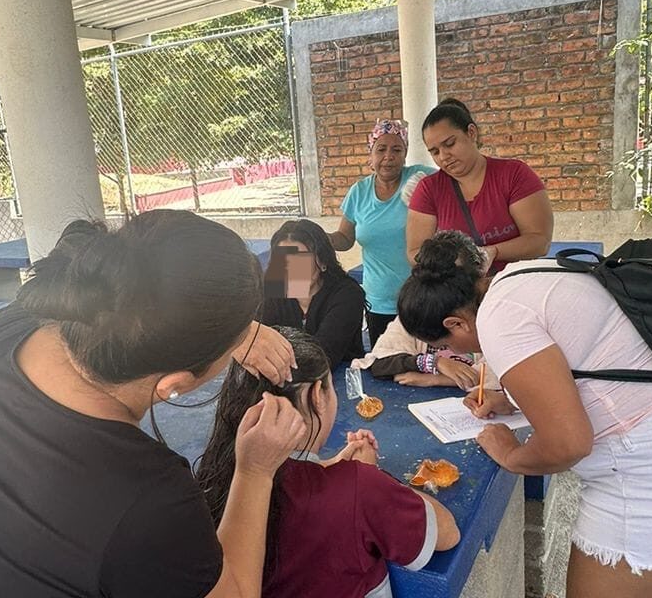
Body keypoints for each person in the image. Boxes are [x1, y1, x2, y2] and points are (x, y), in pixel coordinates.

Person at [0, 211, 308, 598]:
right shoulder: (146, 497)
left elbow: (145, 298)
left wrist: (227, 328)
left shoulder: (11, 326)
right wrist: (255, 471)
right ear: (174, 385)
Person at [397, 231, 652, 598]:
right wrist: (513, 400)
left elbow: (567, 444)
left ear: (455, 324)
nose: (451, 352)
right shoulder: (521, 276)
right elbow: (591, 356)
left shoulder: (496, 319)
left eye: (445, 346)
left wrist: (510, 453)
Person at [196, 327, 460, 598]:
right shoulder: (360, 487)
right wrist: (369, 475)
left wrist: (330, 467)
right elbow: (447, 533)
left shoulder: (213, 481)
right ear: (316, 396)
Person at [406, 98, 554, 273]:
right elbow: (415, 252)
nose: (444, 156)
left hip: (513, 286)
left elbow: (539, 241)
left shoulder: (514, 174)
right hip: (460, 295)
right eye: (435, 152)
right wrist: (453, 264)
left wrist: (493, 252)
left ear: (471, 132)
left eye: (450, 144)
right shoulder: (428, 189)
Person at [328, 119, 435, 346]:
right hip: (379, 302)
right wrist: (318, 239)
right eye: (381, 149)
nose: (389, 156)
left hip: (423, 297)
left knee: (428, 366)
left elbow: (455, 190)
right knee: (387, 366)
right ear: (371, 155)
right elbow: (345, 239)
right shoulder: (359, 192)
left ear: (405, 154)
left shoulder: (420, 179)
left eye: (397, 149)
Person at [261, 219, 365, 367]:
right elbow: (257, 342)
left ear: (323, 262)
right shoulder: (271, 291)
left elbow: (323, 353)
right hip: (282, 379)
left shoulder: (347, 294)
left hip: (338, 379)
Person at [350, 315, 487, 390]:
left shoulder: (485, 319)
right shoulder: (412, 315)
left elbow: (499, 375)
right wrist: (436, 362)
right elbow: (380, 363)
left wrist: (435, 380)